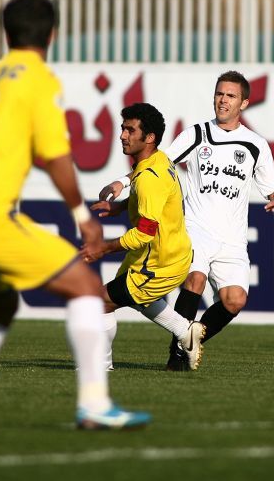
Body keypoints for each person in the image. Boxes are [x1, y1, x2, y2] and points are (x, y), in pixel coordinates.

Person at [0, 0, 150, 431]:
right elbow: (56, 155)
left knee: (1, 306)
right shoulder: (37, 79)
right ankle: (94, 405)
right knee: (86, 287)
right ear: (52, 35)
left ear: (6, 33)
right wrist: (83, 217)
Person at [100, 71, 274, 371]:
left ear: (244, 103)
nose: (223, 100)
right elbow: (157, 164)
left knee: (235, 301)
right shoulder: (197, 134)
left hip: (232, 239)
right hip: (196, 228)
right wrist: (123, 183)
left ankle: (188, 339)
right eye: (219, 94)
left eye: (230, 96)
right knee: (195, 279)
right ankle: (176, 360)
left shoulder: (255, 144)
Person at [81, 103, 206, 371]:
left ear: (149, 137)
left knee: (99, 302)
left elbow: (144, 234)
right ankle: (185, 331)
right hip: (169, 254)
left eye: (130, 130)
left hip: (158, 263)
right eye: (123, 128)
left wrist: (103, 248)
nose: (122, 135)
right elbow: (152, 199)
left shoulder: (149, 175)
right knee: (134, 298)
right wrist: (119, 207)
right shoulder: (158, 160)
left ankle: (98, 366)